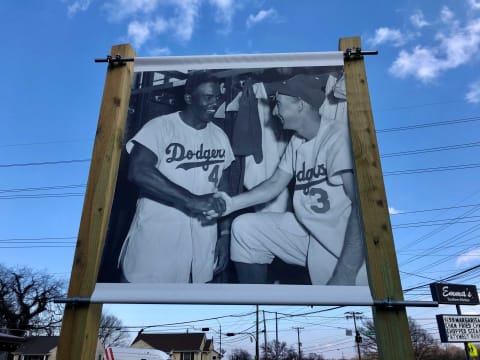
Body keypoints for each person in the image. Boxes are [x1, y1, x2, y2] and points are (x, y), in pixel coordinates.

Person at [212, 73, 366, 285]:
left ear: (300, 104)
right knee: (245, 228)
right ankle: (257, 303)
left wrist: (346, 271)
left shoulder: (338, 136)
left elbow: (363, 206)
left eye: (279, 105)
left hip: (343, 240)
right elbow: (274, 184)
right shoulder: (297, 141)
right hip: (309, 232)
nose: (274, 112)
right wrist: (230, 204)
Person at [118, 70, 234, 283]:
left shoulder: (220, 136)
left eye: (218, 97)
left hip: (203, 235)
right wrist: (191, 199)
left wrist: (225, 234)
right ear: (189, 98)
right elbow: (138, 170)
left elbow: (224, 188)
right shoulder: (160, 127)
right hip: (158, 232)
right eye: (208, 97)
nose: (215, 103)